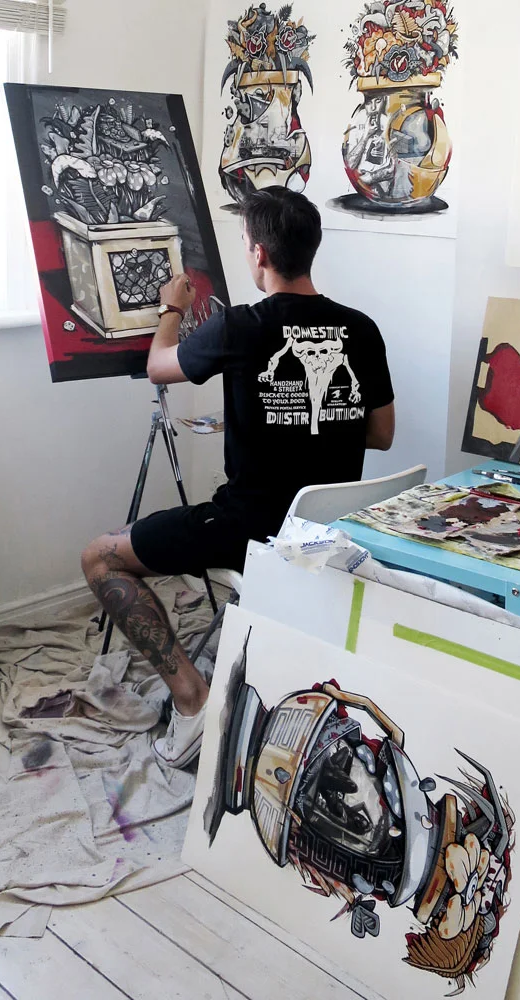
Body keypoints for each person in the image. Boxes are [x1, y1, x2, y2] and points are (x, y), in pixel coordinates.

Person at [81, 187, 395, 768]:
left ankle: (192, 701)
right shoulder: (362, 328)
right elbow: (380, 434)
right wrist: (311, 423)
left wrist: (172, 308)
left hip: (251, 529)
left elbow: (158, 367)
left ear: (258, 254)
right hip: (327, 532)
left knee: (99, 558)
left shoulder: (239, 326)